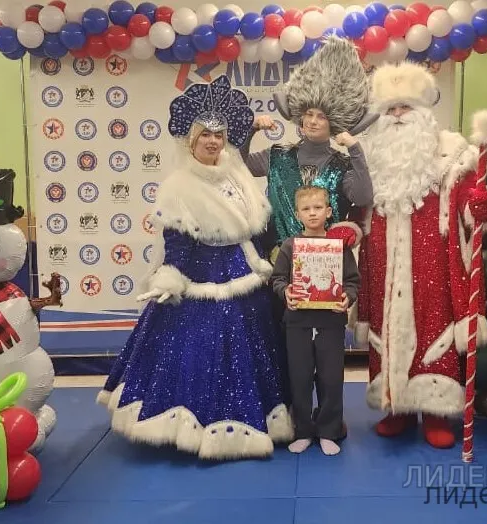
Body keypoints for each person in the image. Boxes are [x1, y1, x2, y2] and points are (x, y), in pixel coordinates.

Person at [96, 75, 293, 460]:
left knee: (249, 353)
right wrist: (170, 277)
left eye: (219, 136)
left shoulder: (237, 175)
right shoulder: (178, 186)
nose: (213, 142)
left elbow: (251, 229)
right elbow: (177, 241)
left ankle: (252, 423)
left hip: (244, 274)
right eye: (205, 135)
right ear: (191, 140)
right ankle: (191, 428)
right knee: (198, 350)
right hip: (201, 277)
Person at [354, 62, 487, 449]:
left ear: (422, 111)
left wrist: (481, 206)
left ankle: (436, 412)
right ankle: (396, 408)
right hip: (382, 262)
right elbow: (356, 207)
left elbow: (470, 202)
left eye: (405, 107)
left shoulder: (450, 155)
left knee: (434, 327)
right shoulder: (368, 157)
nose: (397, 115)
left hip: (433, 261)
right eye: (390, 109)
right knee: (387, 331)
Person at [239, 36, 376, 259]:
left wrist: (355, 149)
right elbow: (239, 166)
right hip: (278, 260)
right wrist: (250, 130)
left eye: (321, 116)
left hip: (327, 263)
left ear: (334, 122)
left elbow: (362, 197)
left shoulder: (343, 165)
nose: (312, 121)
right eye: (309, 114)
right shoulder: (277, 155)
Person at [270, 186, 361, 456]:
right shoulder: (290, 246)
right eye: (306, 209)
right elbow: (277, 279)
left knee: (331, 379)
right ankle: (303, 430)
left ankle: (329, 430)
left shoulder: (339, 248)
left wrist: (347, 297)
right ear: (297, 214)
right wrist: (285, 292)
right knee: (299, 379)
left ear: (329, 212)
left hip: (330, 323)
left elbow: (352, 282)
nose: (312, 213)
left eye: (318, 208)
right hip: (298, 323)